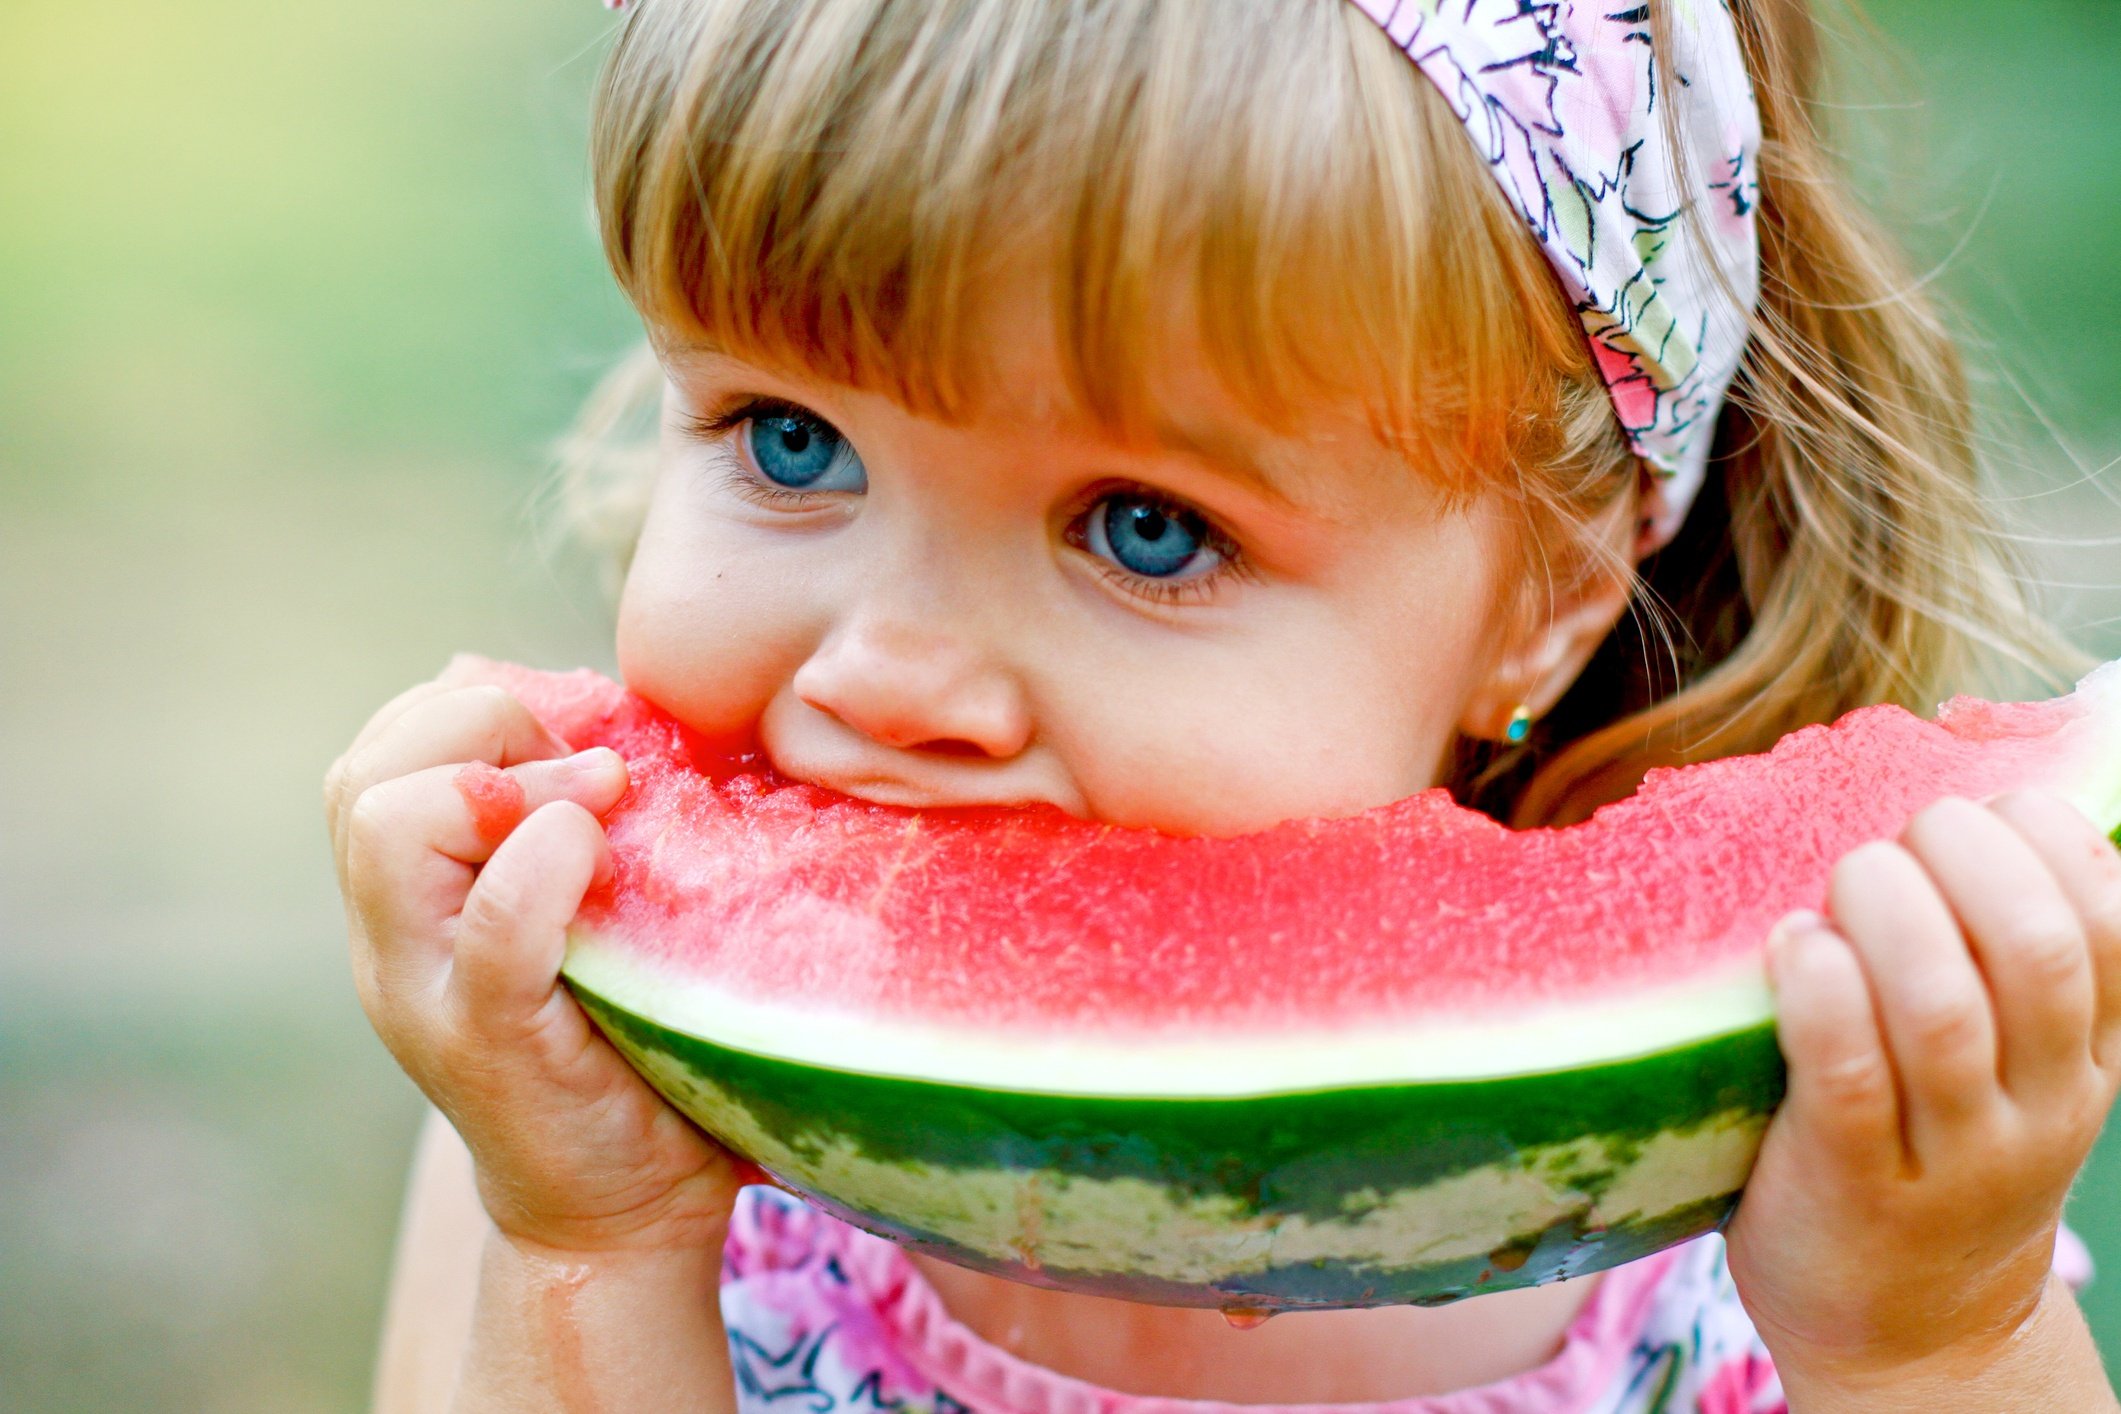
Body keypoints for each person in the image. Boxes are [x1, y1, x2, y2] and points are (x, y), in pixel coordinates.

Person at [325, 0, 2121, 1408]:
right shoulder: (594, 1143)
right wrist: (590, 1250)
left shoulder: (1807, 1233)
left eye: (1144, 528)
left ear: (1553, 593)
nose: (886, 672)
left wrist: (1932, 1350)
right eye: (791, 441)